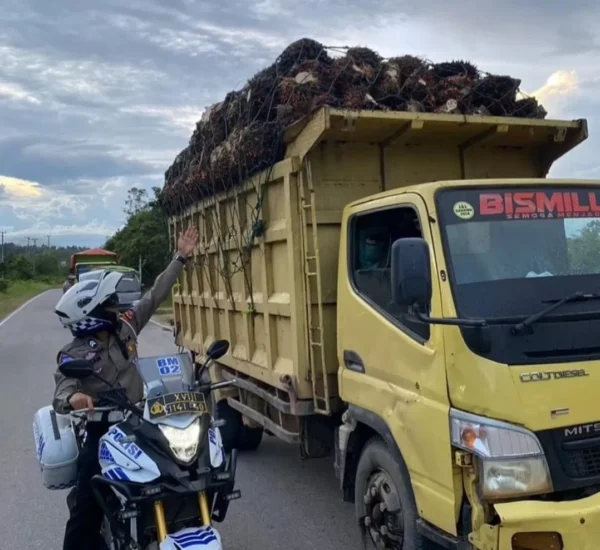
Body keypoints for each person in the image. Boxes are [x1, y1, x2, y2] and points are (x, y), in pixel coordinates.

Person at [52, 227, 198, 550]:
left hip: (140, 422)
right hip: (102, 431)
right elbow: (63, 388)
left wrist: (180, 258)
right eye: (109, 305)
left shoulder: (125, 328)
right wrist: (74, 398)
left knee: (182, 473)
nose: (118, 307)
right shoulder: (72, 354)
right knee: (85, 511)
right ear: (90, 315)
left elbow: (154, 295)